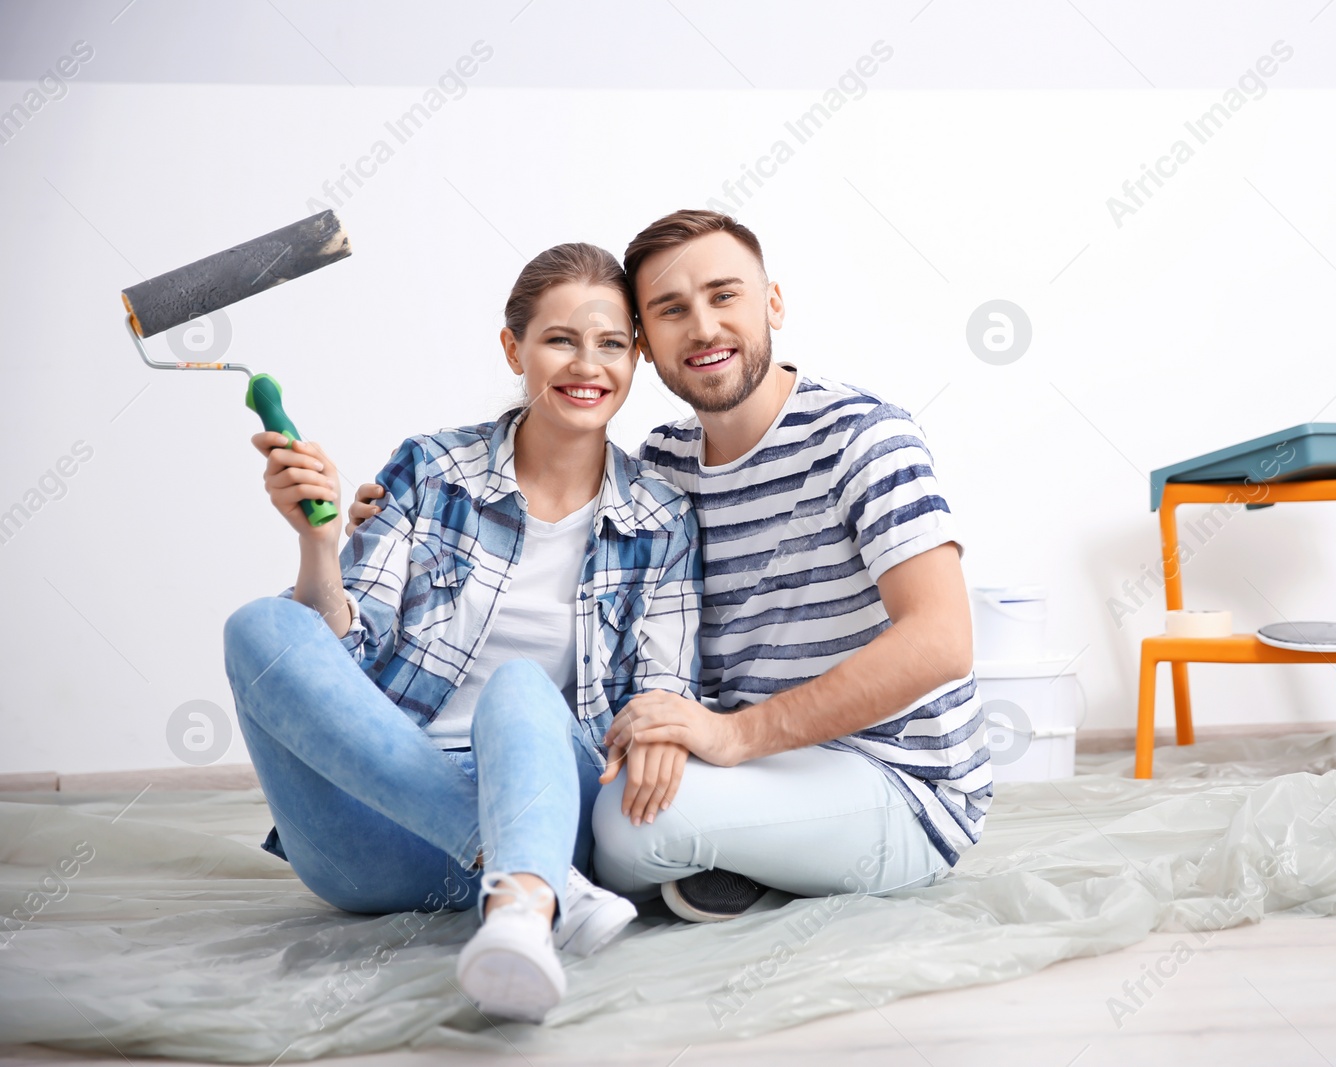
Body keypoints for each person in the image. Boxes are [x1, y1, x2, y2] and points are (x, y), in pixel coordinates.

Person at [349, 212, 991, 924]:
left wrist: (735, 735)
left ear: (772, 302)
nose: (705, 328)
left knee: (624, 832)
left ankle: (730, 854)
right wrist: (401, 524)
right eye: (672, 311)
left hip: (898, 778)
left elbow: (941, 639)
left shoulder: (865, 436)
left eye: (725, 296)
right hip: (749, 766)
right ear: (647, 345)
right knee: (618, 807)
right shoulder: (664, 467)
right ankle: (739, 858)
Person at [221, 242, 700, 1023]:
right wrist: (317, 544)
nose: (588, 364)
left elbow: (662, 700)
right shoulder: (429, 469)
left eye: (612, 343)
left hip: (550, 810)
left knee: (519, 686)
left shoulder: (663, 517)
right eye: (559, 339)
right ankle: (531, 885)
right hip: (376, 835)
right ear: (514, 348)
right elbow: (344, 655)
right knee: (260, 625)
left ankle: (518, 912)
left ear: (637, 358)